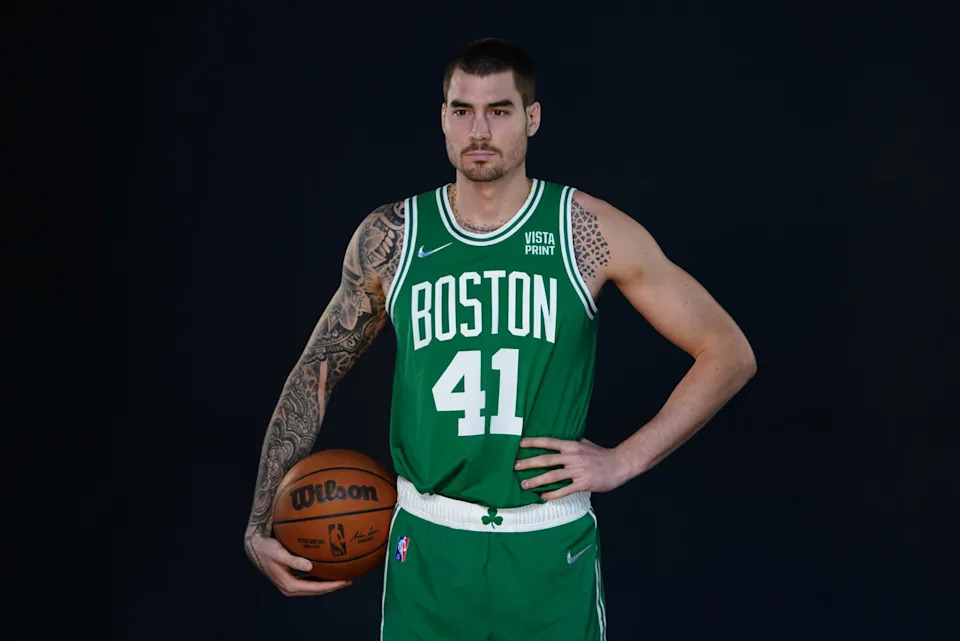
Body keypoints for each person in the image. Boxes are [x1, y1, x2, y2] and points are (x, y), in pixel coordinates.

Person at [244, 37, 757, 640]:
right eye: (463, 110)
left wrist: (625, 459)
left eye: (500, 110)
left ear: (532, 118)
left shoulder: (583, 230)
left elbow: (728, 352)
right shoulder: (395, 238)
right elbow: (315, 373)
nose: (479, 130)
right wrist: (260, 520)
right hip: (429, 547)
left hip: (548, 547)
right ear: (443, 117)